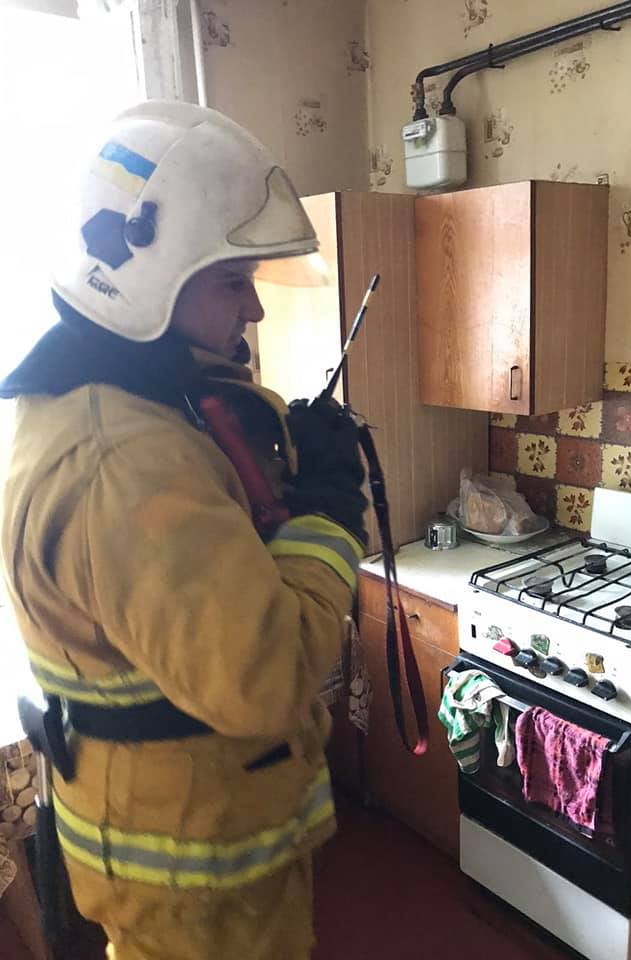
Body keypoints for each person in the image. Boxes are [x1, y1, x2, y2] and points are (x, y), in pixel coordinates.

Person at [0, 100, 368, 960]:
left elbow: (202, 572)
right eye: (233, 282)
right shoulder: (126, 462)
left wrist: (280, 472)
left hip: (200, 843)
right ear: (154, 279)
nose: (256, 311)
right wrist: (327, 515)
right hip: (198, 878)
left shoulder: (117, 403)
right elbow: (265, 676)